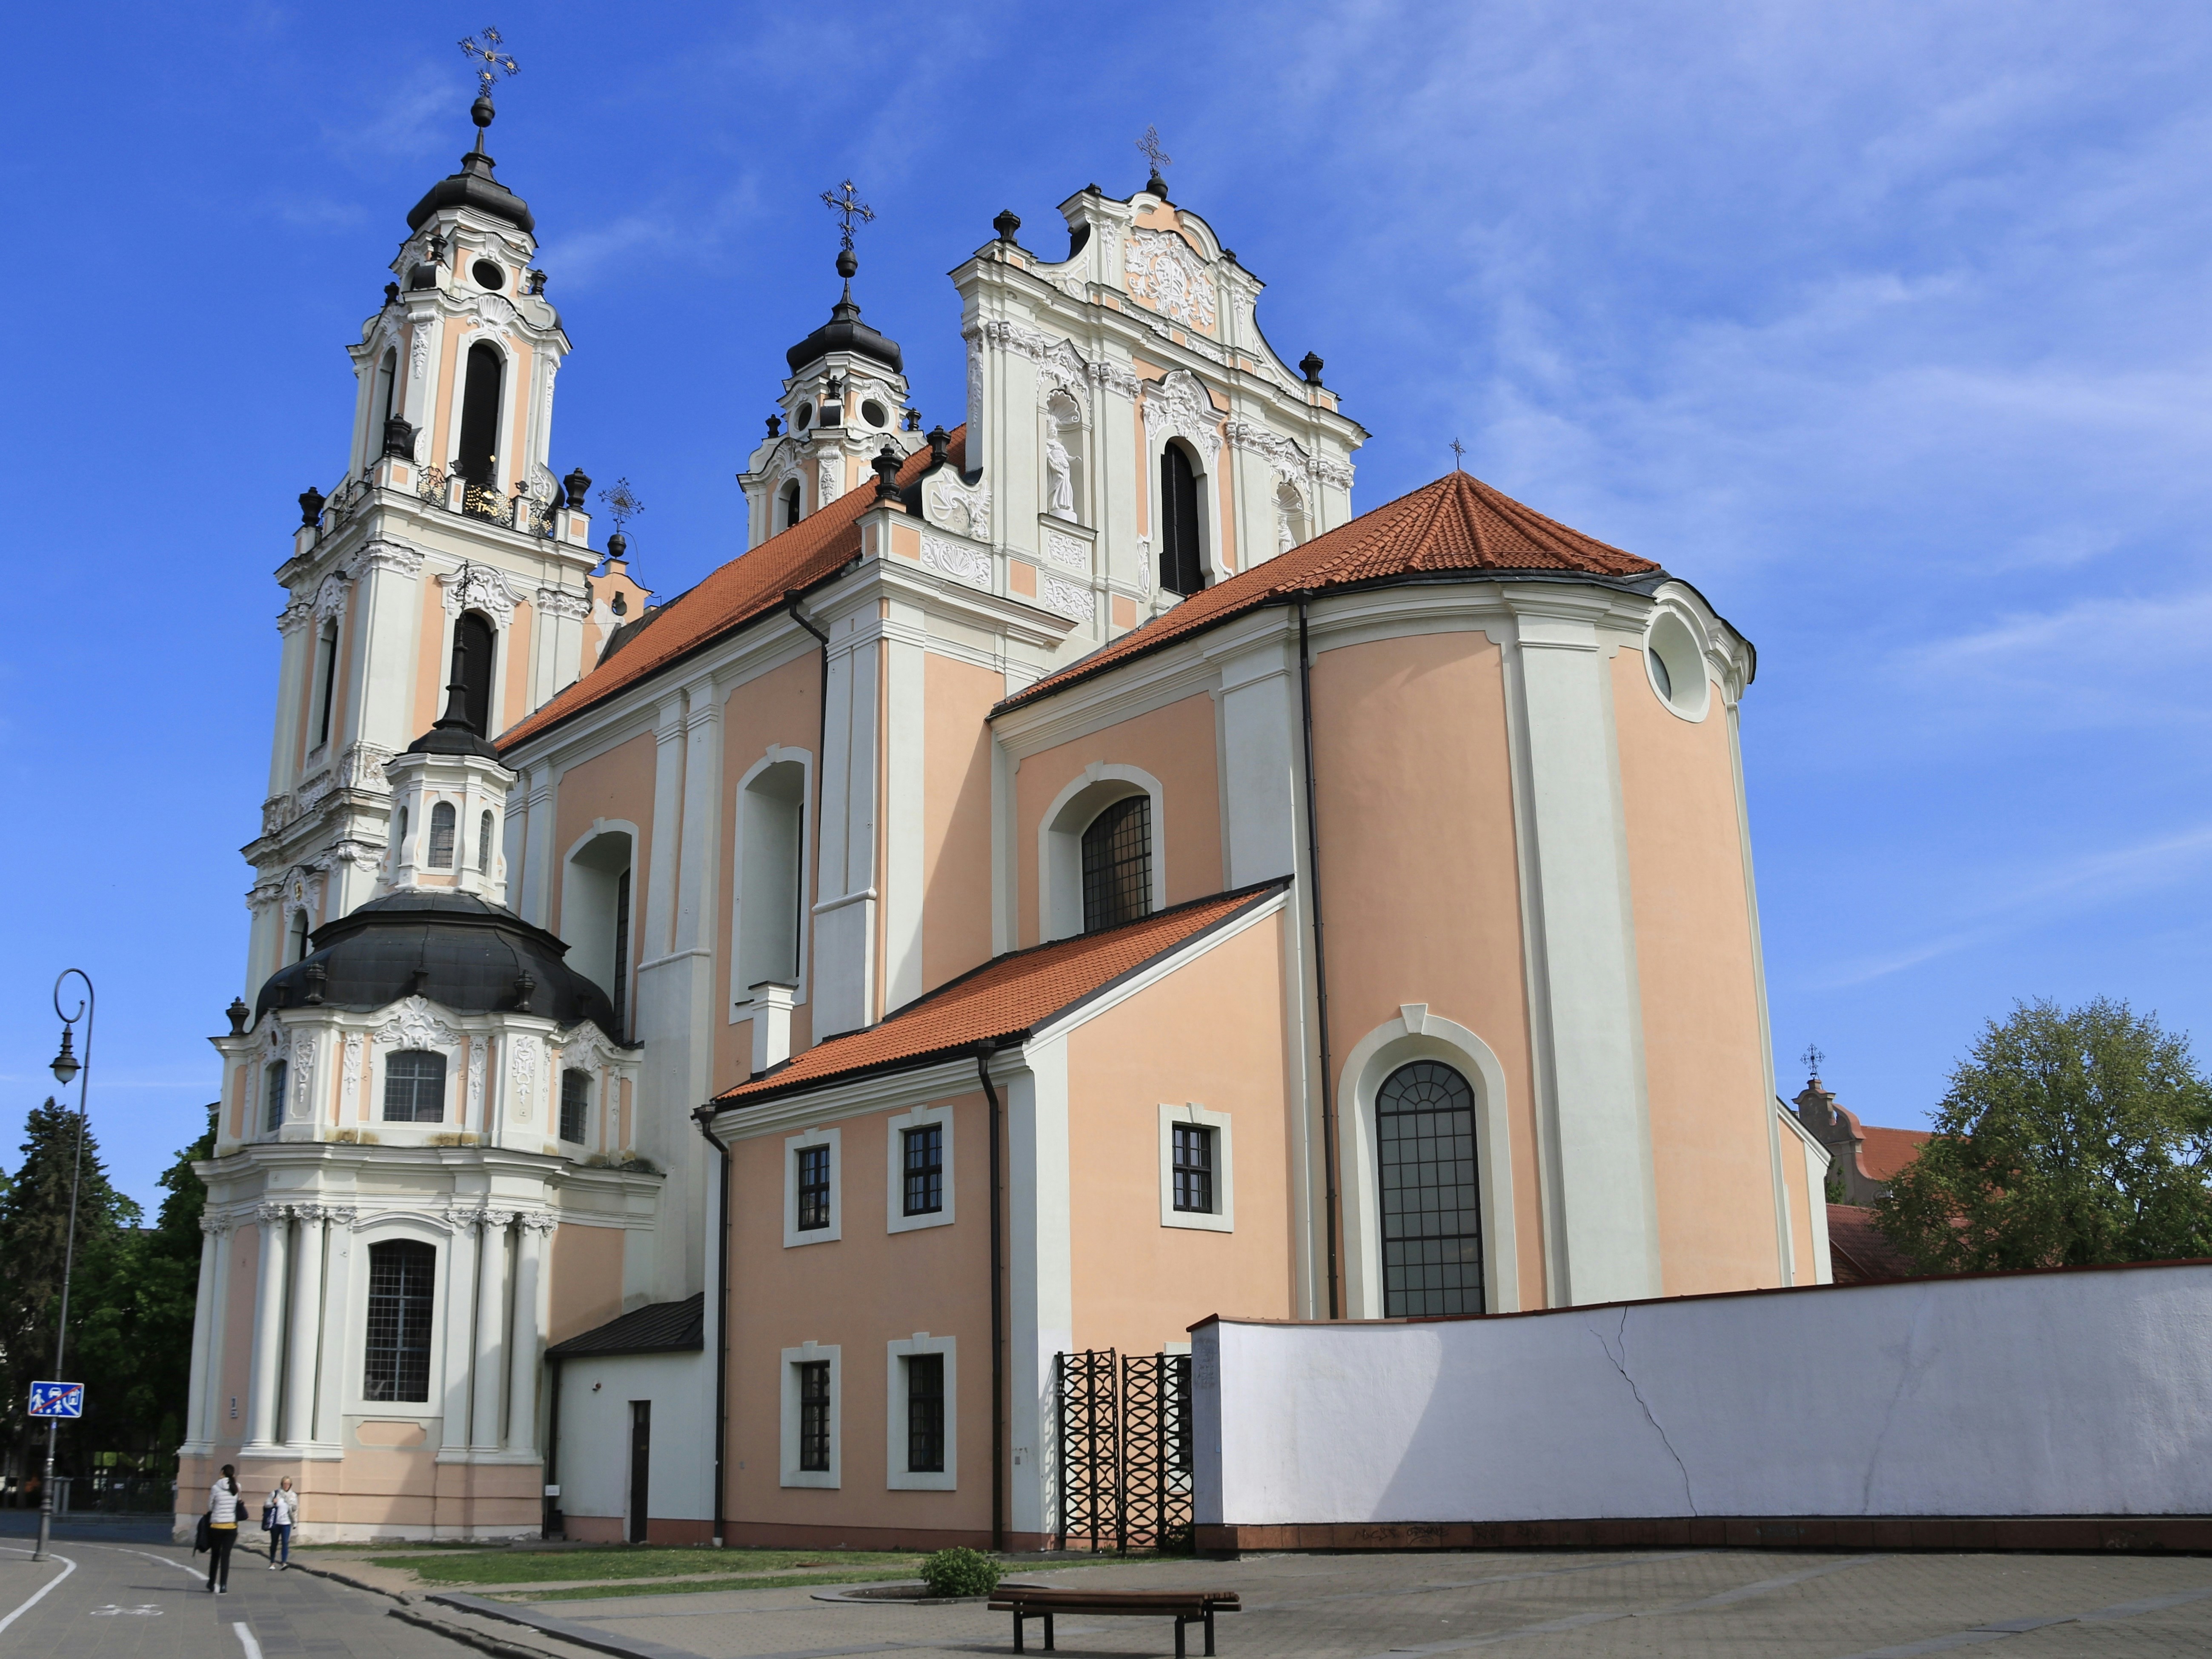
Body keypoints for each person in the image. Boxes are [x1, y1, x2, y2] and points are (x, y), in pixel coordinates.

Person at [206, 1466, 241, 1593]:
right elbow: (239, 1502)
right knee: (226, 1557)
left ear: (222, 1473)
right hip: (231, 1526)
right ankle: (223, 1586)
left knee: (215, 1555)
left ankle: (211, 1583)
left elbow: (210, 1506)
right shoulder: (237, 1487)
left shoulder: (216, 1488)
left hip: (217, 1526)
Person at [266, 1476, 299, 1569]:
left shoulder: (293, 1496)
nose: (286, 1486)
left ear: (290, 1485)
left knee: (285, 1542)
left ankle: (284, 1562)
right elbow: (267, 1504)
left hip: (286, 1523)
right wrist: (273, 1503)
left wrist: (295, 1522)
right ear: (282, 1484)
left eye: (288, 1484)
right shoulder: (276, 1493)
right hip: (276, 1523)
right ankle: (272, 1562)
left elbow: (296, 1510)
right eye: (285, 1484)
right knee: (274, 1542)